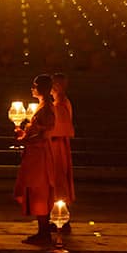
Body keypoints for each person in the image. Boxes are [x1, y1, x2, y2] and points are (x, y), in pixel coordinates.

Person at [14, 74, 57, 246]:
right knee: (35, 189)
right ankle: (42, 230)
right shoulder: (42, 106)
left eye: (35, 85)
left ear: (43, 89)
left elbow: (44, 134)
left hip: (39, 155)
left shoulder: (47, 108)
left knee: (40, 190)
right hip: (35, 154)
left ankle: (44, 232)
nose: (32, 88)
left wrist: (25, 139)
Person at [49, 73, 75, 233]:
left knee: (59, 181)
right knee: (57, 181)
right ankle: (57, 216)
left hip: (57, 147)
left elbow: (62, 128)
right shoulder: (59, 104)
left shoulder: (60, 106)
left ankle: (62, 219)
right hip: (56, 146)